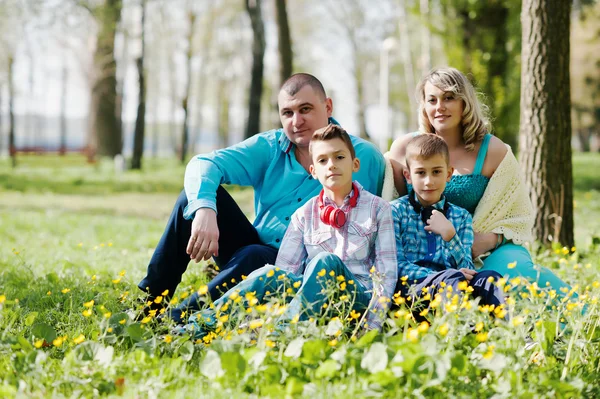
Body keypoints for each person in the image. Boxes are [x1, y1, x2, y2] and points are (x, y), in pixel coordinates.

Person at [138, 73, 386, 323]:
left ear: (328, 106)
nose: (296, 121)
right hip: (254, 249)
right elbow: (203, 163)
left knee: (254, 256)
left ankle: (180, 320)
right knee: (189, 202)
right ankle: (149, 305)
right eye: (287, 113)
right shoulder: (270, 147)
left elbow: (391, 203)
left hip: (311, 266)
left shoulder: (363, 156)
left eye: (306, 109)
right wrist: (204, 210)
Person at [184, 124, 397, 337]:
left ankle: (280, 336)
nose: (331, 165)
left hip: (355, 301)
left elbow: (387, 273)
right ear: (314, 171)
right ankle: (195, 329)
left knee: (325, 261)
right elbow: (284, 274)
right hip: (314, 299)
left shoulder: (379, 209)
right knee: (269, 273)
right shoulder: (304, 214)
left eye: (339, 157)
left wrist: (371, 327)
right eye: (323, 160)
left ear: (355, 164)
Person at [384, 67, 574, 296]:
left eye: (449, 98)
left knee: (520, 275)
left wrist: (490, 239)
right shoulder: (405, 148)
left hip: (482, 250)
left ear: (465, 102)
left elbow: (518, 215)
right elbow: (390, 202)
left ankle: (583, 318)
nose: (439, 107)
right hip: (421, 257)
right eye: (432, 100)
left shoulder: (492, 149)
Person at [391, 134, 505, 309]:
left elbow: (467, 269)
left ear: (449, 174)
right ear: (407, 176)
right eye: (420, 173)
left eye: (436, 172)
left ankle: (510, 330)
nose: (429, 181)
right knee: (452, 279)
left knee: (489, 278)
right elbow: (396, 265)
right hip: (413, 292)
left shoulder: (461, 216)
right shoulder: (395, 212)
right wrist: (442, 276)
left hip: (455, 285)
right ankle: (460, 331)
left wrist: (451, 236)